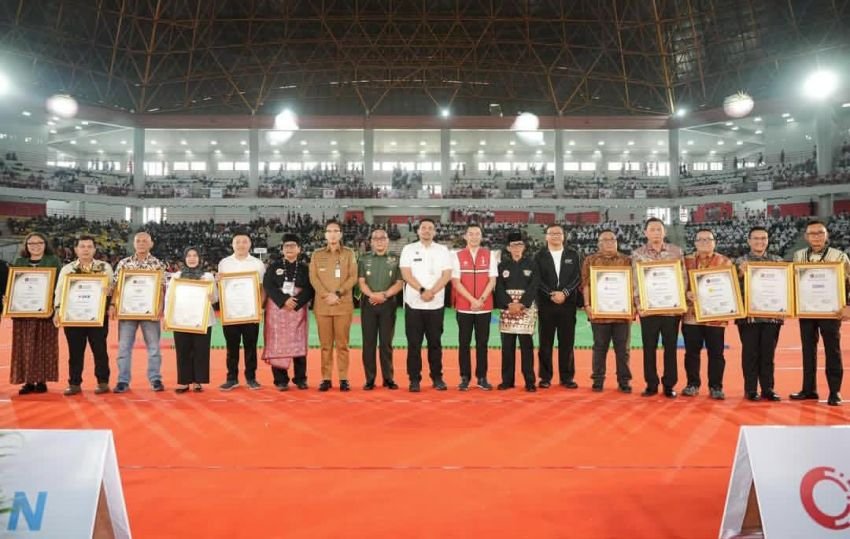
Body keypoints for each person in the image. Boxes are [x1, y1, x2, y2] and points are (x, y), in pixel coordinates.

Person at [790, 220, 850, 406]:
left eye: (820, 233)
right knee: (808, 350)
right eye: (812, 233)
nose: (816, 236)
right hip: (806, 310)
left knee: (832, 350)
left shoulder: (839, 256)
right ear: (806, 237)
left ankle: (835, 391)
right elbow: (794, 282)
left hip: (830, 311)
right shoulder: (798, 256)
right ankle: (809, 389)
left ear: (826, 235)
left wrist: (848, 304)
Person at [54, 235, 113, 396]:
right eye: (82, 246)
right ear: (76, 249)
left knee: (100, 350)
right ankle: (74, 383)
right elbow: (59, 290)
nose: (86, 249)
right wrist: (58, 309)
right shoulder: (67, 269)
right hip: (73, 316)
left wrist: (111, 294)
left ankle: (103, 382)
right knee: (75, 352)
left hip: (98, 315)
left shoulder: (105, 267)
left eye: (89, 246)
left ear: (94, 249)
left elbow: (113, 289)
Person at [631, 217, 684, 398]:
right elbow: (635, 282)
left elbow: (682, 278)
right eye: (652, 229)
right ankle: (651, 384)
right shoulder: (637, 254)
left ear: (664, 232)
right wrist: (640, 306)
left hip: (671, 309)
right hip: (649, 310)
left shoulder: (676, 252)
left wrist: (679, 301)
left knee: (670, 348)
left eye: (658, 229)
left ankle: (669, 385)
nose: (655, 233)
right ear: (645, 233)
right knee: (649, 347)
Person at [399, 218, 453, 392]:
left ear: (435, 232)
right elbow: (406, 274)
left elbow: (446, 275)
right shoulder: (409, 249)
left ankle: (437, 377)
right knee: (414, 344)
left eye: (430, 228)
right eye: (424, 228)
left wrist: (432, 291)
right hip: (414, 304)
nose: (427, 231)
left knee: (435, 343)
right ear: (418, 231)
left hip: (435, 304)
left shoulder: (443, 250)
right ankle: (414, 379)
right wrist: (422, 290)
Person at [111, 231, 167, 393]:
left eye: (145, 241)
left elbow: (162, 289)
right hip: (127, 311)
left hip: (149, 312)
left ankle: (155, 378)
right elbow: (116, 286)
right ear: (134, 244)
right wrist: (114, 304)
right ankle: (122, 380)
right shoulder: (124, 264)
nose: (141, 243)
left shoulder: (158, 264)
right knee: (124, 347)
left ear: (151, 244)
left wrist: (159, 307)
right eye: (138, 241)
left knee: (154, 347)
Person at [682, 229, 733, 400]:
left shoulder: (725, 262)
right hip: (691, 316)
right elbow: (677, 283)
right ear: (695, 242)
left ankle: (716, 386)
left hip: (715, 316)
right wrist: (685, 293)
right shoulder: (685, 261)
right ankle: (692, 384)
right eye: (700, 239)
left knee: (716, 353)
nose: (704, 242)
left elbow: (730, 288)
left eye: (708, 239)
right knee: (691, 352)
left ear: (714, 242)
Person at [10, 232, 62, 395]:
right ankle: (27, 381)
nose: (35, 246)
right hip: (23, 312)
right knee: (24, 346)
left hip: (46, 311)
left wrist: (55, 306)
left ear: (45, 244)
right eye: (31, 243)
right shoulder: (19, 262)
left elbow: (60, 286)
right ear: (26, 246)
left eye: (39, 243)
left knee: (44, 346)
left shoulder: (53, 261)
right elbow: (13, 284)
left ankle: (41, 380)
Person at [580, 229, 633, 393]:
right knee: (599, 347)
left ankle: (624, 381)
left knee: (623, 349)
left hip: (622, 313)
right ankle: (598, 379)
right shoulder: (591, 260)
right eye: (605, 240)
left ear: (617, 242)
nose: (609, 242)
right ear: (599, 243)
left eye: (612, 239)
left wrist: (633, 305)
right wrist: (587, 305)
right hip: (599, 312)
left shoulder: (627, 260)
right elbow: (586, 284)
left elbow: (633, 285)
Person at [735, 227, 783, 402]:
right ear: (749, 241)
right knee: (750, 354)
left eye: (763, 238)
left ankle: (768, 388)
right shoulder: (740, 261)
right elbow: (732, 288)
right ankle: (750, 389)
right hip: (748, 317)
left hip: (772, 315)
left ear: (768, 240)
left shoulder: (777, 261)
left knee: (768, 354)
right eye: (755, 238)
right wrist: (740, 273)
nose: (759, 241)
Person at [309, 219, 357, 392]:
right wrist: (326, 295)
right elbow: (314, 278)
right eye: (329, 231)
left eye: (336, 230)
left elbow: (353, 277)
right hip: (323, 306)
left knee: (342, 344)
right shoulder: (317, 254)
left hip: (342, 305)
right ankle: (326, 378)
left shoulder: (349, 253)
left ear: (341, 234)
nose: (333, 234)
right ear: (325, 235)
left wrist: (337, 294)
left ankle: (344, 378)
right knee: (325, 345)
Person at [533, 223, 582, 389]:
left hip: (568, 305)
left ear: (563, 236)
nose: (555, 236)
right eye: (551, 233)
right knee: (545, 342)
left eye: (558, 233)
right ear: (546, 236)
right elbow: (536, 279)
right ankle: (545, 377)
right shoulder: (538, 256)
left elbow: (578, 277)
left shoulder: (573, 255)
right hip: (546, 304)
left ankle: (567, 377)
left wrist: (565, 293)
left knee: (567, 342)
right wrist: (551, 294)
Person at [263, 234, 314, 391]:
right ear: (282, 249)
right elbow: (268, 286)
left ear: (299, 249)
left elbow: (311, 288)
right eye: (286, 246)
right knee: (277, 342)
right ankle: (280, 380)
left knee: (298, 342)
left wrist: (295, 302)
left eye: (293, 246)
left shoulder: (306, 268)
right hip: (277, 310)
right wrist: (284, 300)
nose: (289, 249)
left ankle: (300, 378)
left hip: (297, 310)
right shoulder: (273, 267)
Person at [451, 223, 498, 390]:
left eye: (477, 233)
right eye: (471, 233)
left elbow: (492, 280)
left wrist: (481, 300)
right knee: (464, 343)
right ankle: (465, 377)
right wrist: (472, 300)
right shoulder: (457, 256)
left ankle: (482, 377)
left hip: (484, 307)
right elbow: (456, 283)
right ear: (465, 236)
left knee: (482, 343)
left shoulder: (489, 255)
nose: (474, 236)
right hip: (464, 307)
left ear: (481, 236)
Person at [218, 230, 265, 391]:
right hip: (230, 313)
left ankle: (251, 378)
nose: (241, 245)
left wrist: (260, 307)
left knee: (250, 346)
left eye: (244, 241)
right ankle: (232, 378)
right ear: (232, 244)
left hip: (250, 311)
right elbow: (221, 287)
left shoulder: (257, 264)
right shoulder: (224, 263)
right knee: (232, 347)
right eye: (237, 242)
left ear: (250, 244)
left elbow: (261, 288)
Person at [358, 228, 403, 390]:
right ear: (371, 241)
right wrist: (372, 295)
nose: (379, 241)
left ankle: (388, 378)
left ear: (387, 241)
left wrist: (383, 295)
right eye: (375, 238)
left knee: (386, 343)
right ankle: (370, 379)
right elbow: (361, 282)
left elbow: (399, 283)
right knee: (368, 343)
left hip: (388, 304)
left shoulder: (395, 259)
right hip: (368, 304)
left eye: (382, 238)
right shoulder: (363, 259)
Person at [495, 230, 539, 392]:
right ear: (508, 248)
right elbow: (498, 287)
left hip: (525, 309)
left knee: (527, 347)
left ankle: (529, 381)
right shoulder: (502, 266)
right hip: (507, 310)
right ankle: (507, 380)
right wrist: (508, 304)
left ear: (524, 247)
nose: (516, 248)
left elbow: (534, 286)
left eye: (519, 244)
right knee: (507, 347)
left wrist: (522, 304)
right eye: (513, 245)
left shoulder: (532, 264)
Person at [169, 247, 216, 393]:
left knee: (201, 350)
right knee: (183, 350)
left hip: (202, 319)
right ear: (184, 258)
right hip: (181, 318)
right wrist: (167, 317)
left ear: (200, 258)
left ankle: (198, 381)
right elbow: (169, 297)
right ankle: (184, 382)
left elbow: (215, 298)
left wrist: (211, 297)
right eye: (189, 255)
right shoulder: (177, 276)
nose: (192, 258)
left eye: (195, 255)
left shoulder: (208, 276)